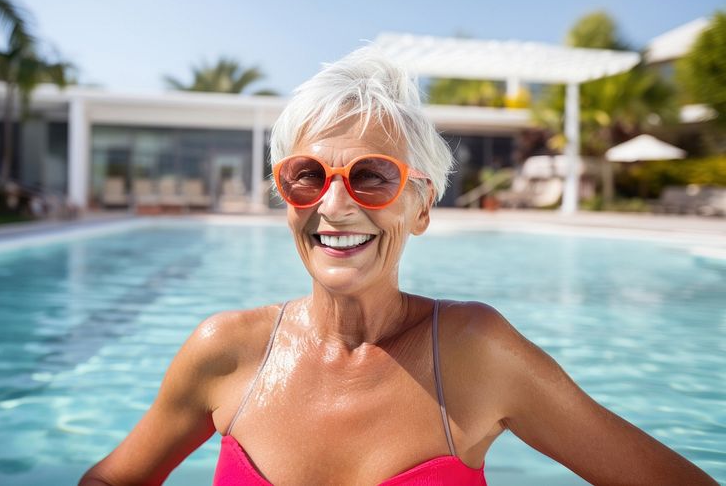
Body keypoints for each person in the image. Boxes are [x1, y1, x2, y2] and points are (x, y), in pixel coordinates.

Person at [79, 47, 716, 486]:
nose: (334, 205)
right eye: (307, 177)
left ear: (421, 207)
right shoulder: (227, 351)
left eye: (372, 177)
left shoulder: (474, 353)